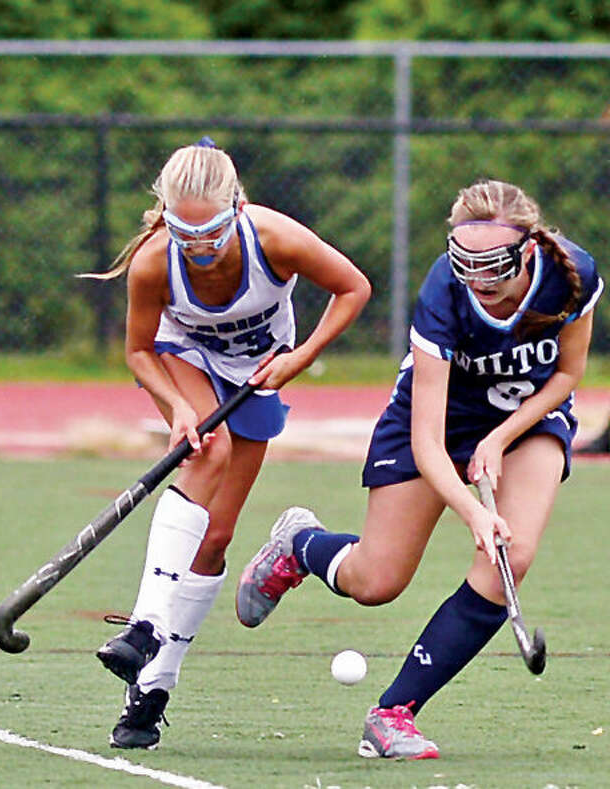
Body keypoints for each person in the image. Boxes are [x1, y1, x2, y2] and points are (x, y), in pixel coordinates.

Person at [236, 178, 604, 759]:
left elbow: (567, 375)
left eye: (493, 268)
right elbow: (428, 441)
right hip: (438, 420)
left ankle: (393, 713)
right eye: (468, 264)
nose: (479, 282)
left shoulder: (571, 274)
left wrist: (504, 434)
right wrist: (472, 510)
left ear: (528, 250)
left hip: (529, 415)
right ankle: (300, 544)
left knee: (513, 553)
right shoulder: (444, 292)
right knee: (376, 582)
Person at [88, 138, 370, 749]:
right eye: (182, 234)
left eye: (211, 232)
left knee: (215, 538)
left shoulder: (276, 239)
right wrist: (178, 408)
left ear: (236, 208)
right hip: (185, 359)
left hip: (258, 373)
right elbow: (138, 349)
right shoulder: (153, 262)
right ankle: (144, 630)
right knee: (207, 449)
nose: (199, 248)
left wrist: (300, 358)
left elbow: (354, 288)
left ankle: (155, 686)